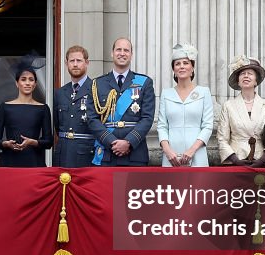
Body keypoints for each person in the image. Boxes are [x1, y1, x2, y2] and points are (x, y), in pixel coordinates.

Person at [87, 38, 156, 166]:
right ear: (112, 53)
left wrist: (128, 142)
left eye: (126, 50)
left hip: (135, 154)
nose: (122, 53)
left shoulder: (144, 82)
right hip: (107, 153)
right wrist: (112, 141)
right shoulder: (97, 84)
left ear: (131, 54)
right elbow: (92, 119)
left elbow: (147, 118)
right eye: (119, 49)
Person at [216, 55, 265, 167]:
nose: (246, 76)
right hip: (236, 161)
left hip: (262, 161)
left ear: (256, 81)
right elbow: (222, 138)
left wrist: (262, 160)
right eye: (242, 73)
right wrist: (236, 160)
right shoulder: (228, 106)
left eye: (250, 73)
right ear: (238, 81)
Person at [157, 43, 213, 167]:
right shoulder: (166, 94)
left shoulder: (203, 92)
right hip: (171, 156)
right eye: (177, 64)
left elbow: (208, 126)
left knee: (199, 186)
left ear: (192, 68)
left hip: (197, 153)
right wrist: (168, 151)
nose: (181, 66)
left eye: (186, 63)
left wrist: (191, 150)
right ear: (174, 70)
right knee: (172, 186)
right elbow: (162, 126)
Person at [0, 54, 53, 167]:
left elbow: (49, 142)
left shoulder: (43, 108)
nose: (27, 83)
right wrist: (6, 144)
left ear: (35, 84)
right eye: (23, 79)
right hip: (9, 162)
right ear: (17, 83)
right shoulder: (5, 107)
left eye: (31, 80)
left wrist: (33, 142)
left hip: (34, 162)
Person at [52, 45, 95, 168]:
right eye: (72, 61)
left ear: (87, 63)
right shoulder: (60, 92)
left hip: (86, 154)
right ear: (66, 64)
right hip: (63, 153)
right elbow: (57, 125)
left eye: (79, 60)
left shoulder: (96, 89)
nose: (75, 64)